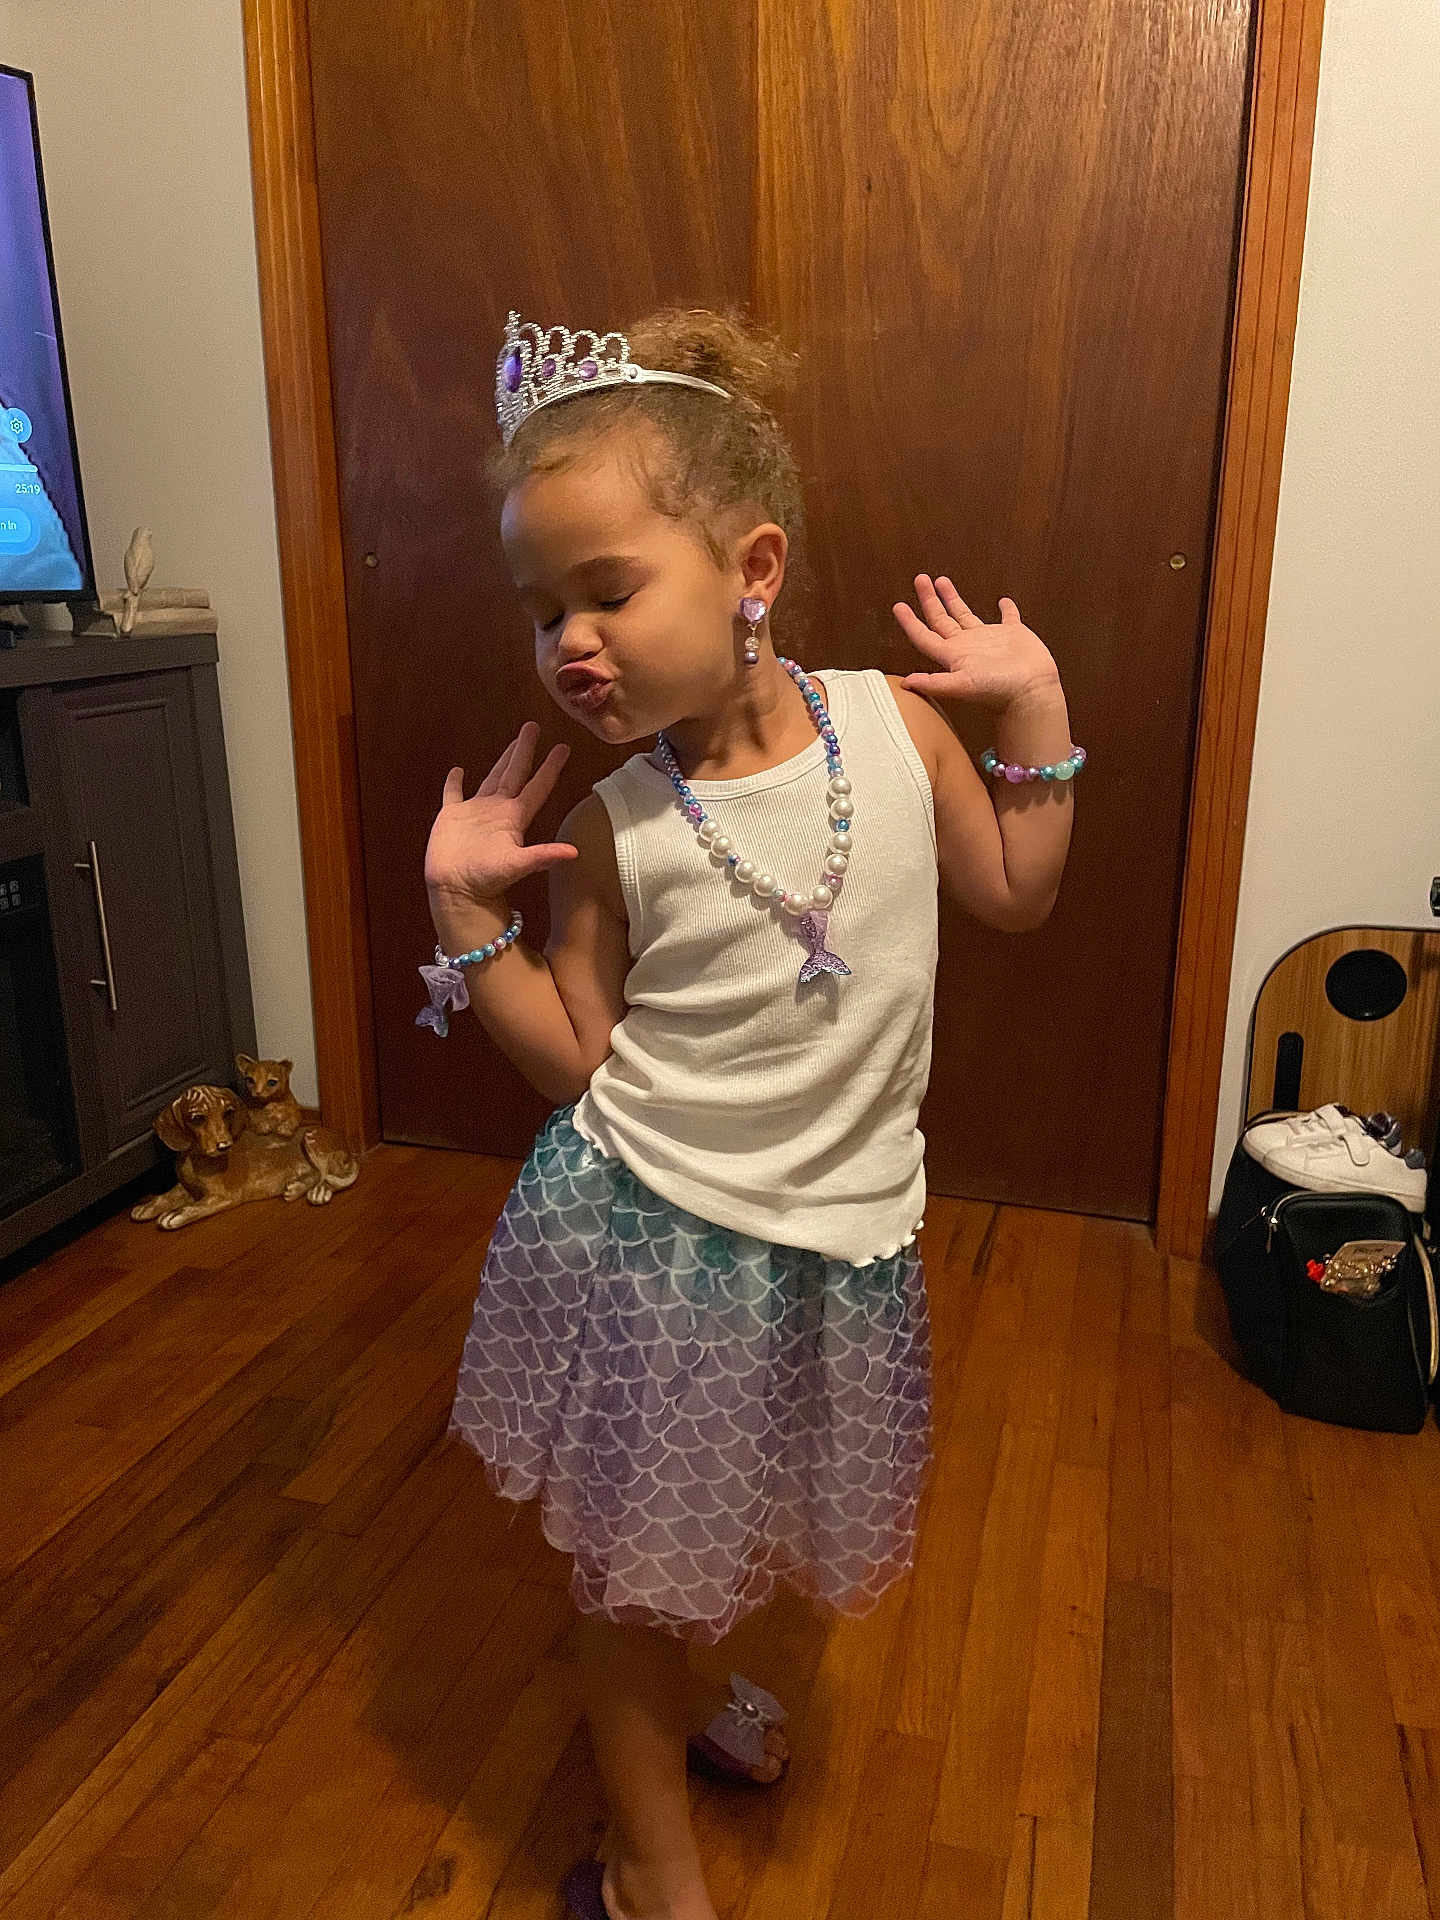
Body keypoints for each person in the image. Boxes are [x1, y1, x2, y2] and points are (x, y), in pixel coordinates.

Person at [421, 305, 1081, 1920]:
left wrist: (1037, 708)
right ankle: (655, 1874)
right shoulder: (619, 823)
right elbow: (579, 1062)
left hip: (835, 1241)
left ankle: (704, 1700)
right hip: (657, 1249)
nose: (569, 641)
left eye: (608, 590)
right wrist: (464, 920)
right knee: (625, 1573)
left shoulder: (894, 725)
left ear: (753, 567)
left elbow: (1011, 891)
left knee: (723, 1520)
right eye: (541, 610)